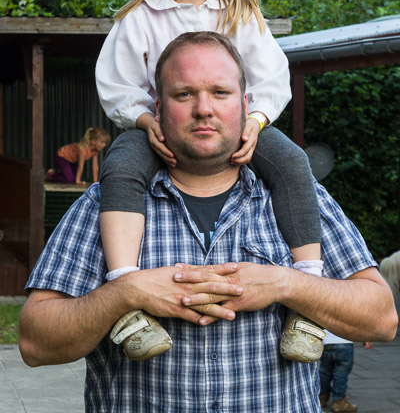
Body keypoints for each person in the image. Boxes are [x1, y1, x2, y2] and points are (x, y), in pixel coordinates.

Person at [19, 33, 398, 413]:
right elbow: (35, 343)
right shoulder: (102, 205)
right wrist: (125, 293)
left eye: (220, 92)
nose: (203, 109)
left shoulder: (300, 197)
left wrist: (287, 283)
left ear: (245, 105)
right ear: (158, 108)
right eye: (184, 94)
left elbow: (381, 319)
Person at [95, 0, 324, 362]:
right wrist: (144, 122)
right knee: (120, 165)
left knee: (291, 161)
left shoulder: (241, 12)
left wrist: (255, 121)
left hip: (236, 132)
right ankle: (125, 296)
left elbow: (272, 78)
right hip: (160, 132)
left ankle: (309, 296)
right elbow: (118, 85)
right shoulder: (140, 16)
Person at [318, 332, 372, 412]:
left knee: (324, 372)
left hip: (326, 342)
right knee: (341, 373)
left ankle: (321, 397)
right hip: (344, 342)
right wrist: (365, 338)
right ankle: (338, 401)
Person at [45, 127, 110, 185]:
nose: (104, 145)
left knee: (77, 179)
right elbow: (80, 165)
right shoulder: (83, 148)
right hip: (62, 157)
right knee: (70, 180)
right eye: (102, 142)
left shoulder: (95, 151)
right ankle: (51, 175)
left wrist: (95, 181)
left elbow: (95, 166)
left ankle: (67, 176)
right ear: (93, 141)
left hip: (73, 161)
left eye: (105, 143)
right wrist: (77, 181)